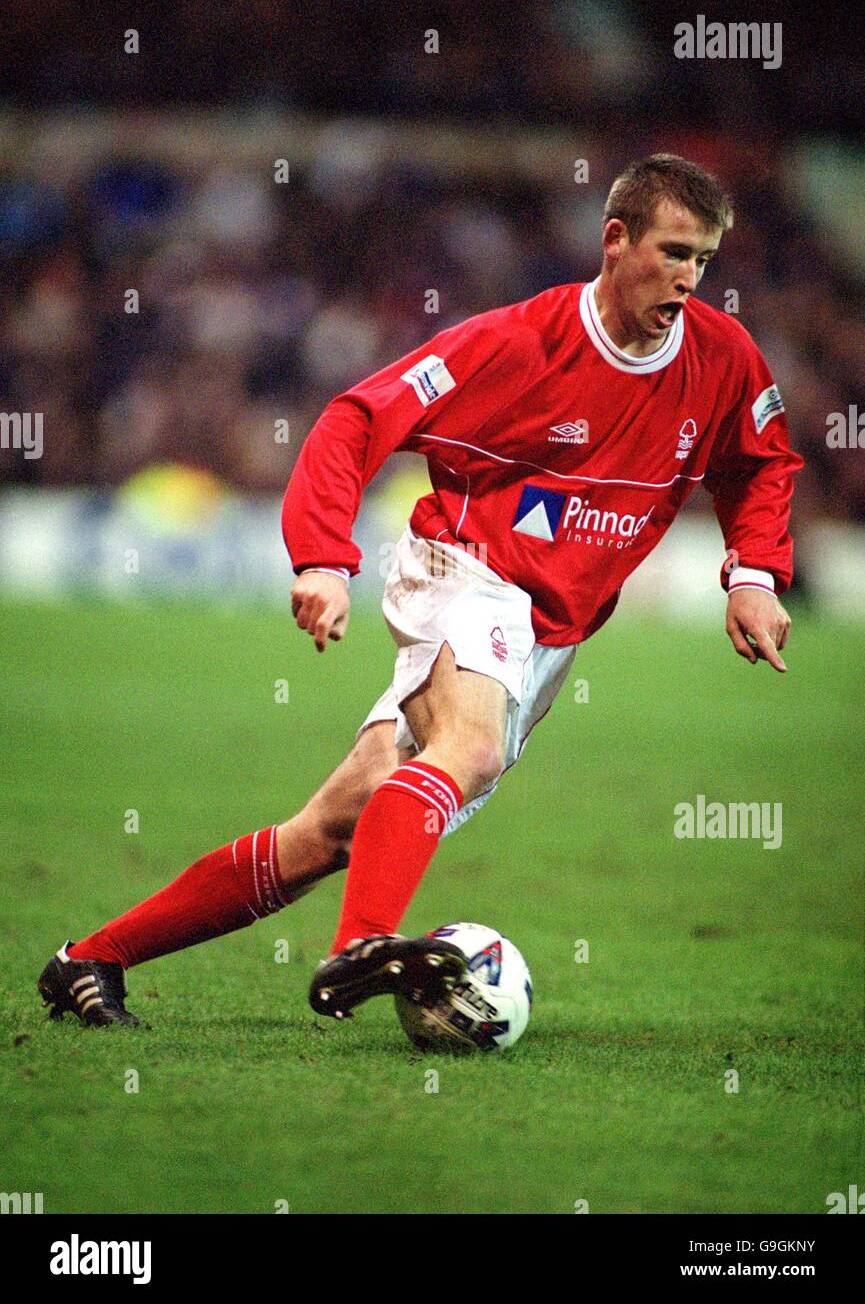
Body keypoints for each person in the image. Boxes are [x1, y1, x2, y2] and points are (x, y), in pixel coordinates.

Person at [38, 154, 803, 1028]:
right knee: (467, 748)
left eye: (703, 259)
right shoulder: (513, 344)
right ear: (614, 240)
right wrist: (323, 557)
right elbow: (356, 417)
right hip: (465, 571)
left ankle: (88, 960)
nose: (687, 278)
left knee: (326, 833)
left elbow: (761, 461)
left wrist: (751, 574)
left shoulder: (720, 356)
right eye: (672, 252)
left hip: (550, 632)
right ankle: (358, 946)